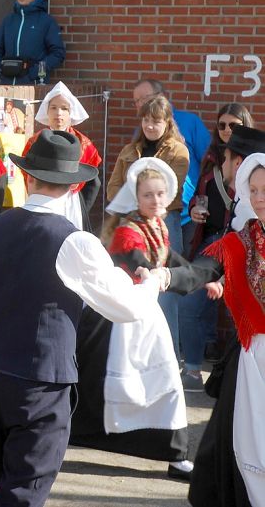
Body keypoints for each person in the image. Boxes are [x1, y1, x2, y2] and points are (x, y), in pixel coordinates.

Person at [0, 129, 169, 507]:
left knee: (0, 482)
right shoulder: (77, 242)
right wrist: (157, 281)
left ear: (26, 177)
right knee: (24, 492)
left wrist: (5, 324)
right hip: (41, 382)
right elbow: (127, 307)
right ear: (71, 188)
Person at [75, 157, 195, 481]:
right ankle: (172, 453)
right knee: (111, 380)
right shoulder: (128, 231)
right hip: (119, 313)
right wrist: (147, 271)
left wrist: (204, 278)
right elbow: (138, 259)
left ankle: (174, 452)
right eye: (147, 195)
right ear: (136, 197)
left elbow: (173, 260)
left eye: (159, 194)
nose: (154, 200)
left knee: (161, 380)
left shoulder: (157, 227)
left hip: (145, 312)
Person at [186, 127, 265, 507]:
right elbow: (207, 266)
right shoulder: (242, 236)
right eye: (254, 190)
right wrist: (167, 275)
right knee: (233, 438)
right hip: (250, 353)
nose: (259, 198)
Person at [107, 95, 190, 356]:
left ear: (167, 122)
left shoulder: (178, 151)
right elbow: (112, 188)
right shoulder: (130, 151)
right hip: (131, 225)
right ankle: (131, 353)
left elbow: (170, 193)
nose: (149, 126)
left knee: (164, 290)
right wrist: (135, 207)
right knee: (130, 283)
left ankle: (168, 355)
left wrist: (140, 199)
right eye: (145, 120)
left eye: (155, 121)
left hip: (165, 223)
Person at [180, 103, 254, 389]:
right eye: (222, 125)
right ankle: (193, 370)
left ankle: (238, 375)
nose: (226, 131)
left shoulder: (255, 163)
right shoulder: (211, 157)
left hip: (243, 242)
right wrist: (194, 211)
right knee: (190, 301)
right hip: (211, 240)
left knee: (242, 311)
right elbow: (199, 194)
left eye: (233, 125)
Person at [133, 78, 212, 231]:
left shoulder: (190, 122)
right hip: (152, 211)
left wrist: (201, 201)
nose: (140, 104)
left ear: (162, 96)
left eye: (144, 98)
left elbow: (209, 163)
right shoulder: (141, 132)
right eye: (136, 101)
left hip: (189, 212)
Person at [22, 81, 102, 230]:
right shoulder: (35, 141)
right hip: (42, 199)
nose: (58, 113)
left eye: (64, 109)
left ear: (71, 113)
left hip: (71, 202)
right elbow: (26, 174)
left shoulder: (82, 143)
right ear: (46, 111)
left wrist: (81, 204)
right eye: (53, 108)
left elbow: (93, 181)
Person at [0, 0, 65, 85]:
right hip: (6, 85)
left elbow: (58, 53)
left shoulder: (46, 21)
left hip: (33, 84)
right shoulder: (8, 21)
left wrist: (36, 72)